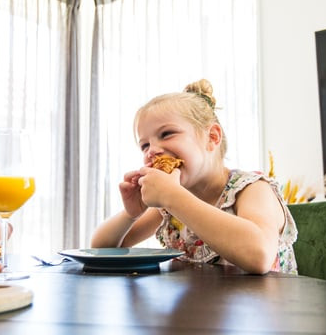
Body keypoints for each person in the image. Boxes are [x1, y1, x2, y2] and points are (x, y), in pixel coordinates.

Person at [90, 79, 297, 275]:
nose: (151, 151)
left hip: (263, 308)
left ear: (212, 137)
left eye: (167, 134)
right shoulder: (168, 203)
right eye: (144, 145)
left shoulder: (251, 189)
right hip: (202, 308)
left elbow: (258, 257)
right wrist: (130, 214)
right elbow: (101, 250)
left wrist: (172, 196)